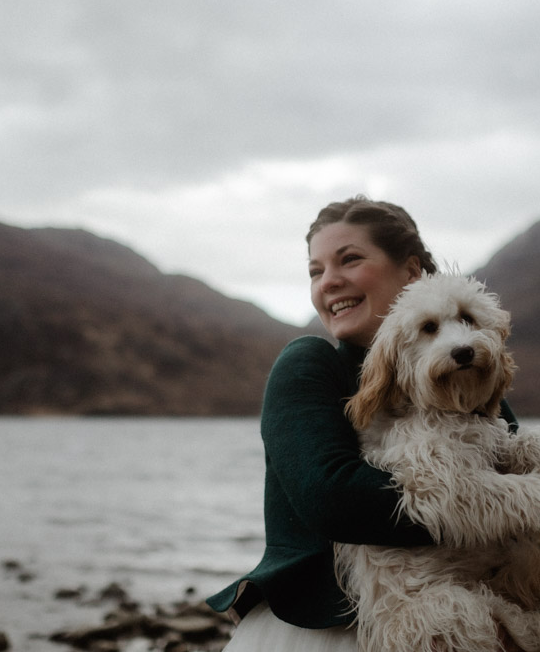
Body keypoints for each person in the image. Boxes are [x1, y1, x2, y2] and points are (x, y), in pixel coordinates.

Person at [206, 196, 519, 651]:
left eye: (349, 260)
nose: (329, 282)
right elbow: (334, 500)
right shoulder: (310, 363)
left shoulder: (464, 371)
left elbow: (524, 475)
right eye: (315, 271)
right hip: (327, 631)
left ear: (411, 272)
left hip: (466, 616)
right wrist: (493, 504)